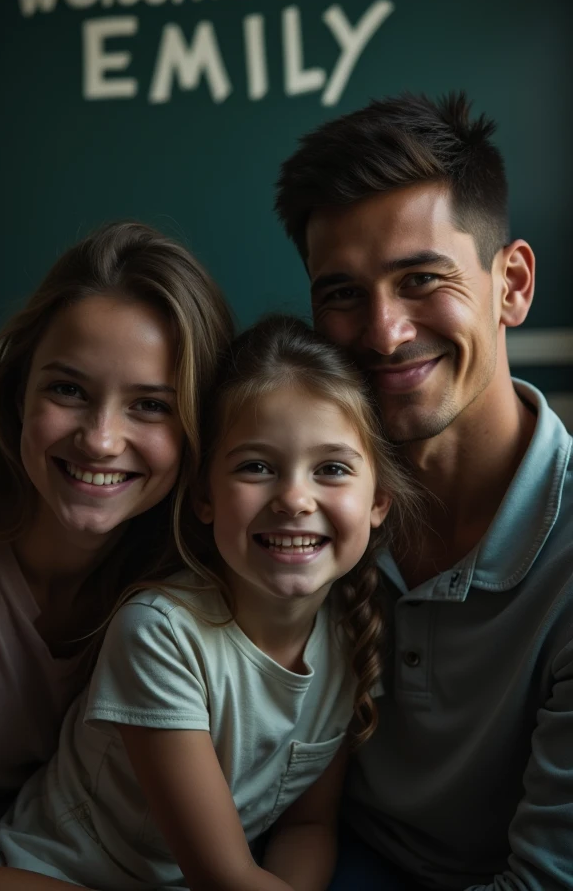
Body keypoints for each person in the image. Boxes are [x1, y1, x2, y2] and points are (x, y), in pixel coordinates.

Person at [0, 315, 421, 891]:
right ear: (204, 497)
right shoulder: (160, 634)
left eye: (332, 469)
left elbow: (308, 826)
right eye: (256, 467)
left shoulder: (352, 631)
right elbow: (223, 876)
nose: (294, 498)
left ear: (379, 502)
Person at [275, 92, 573, 890]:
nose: (383, 331)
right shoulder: (295, 503)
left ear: (511, 284)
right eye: (341, 293)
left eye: (421, 279)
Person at [0, 221, 234, 891]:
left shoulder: (193, 580)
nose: (101, 440)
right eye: (68, 390)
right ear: (20, 392)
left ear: (198, 429)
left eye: (150, 406)